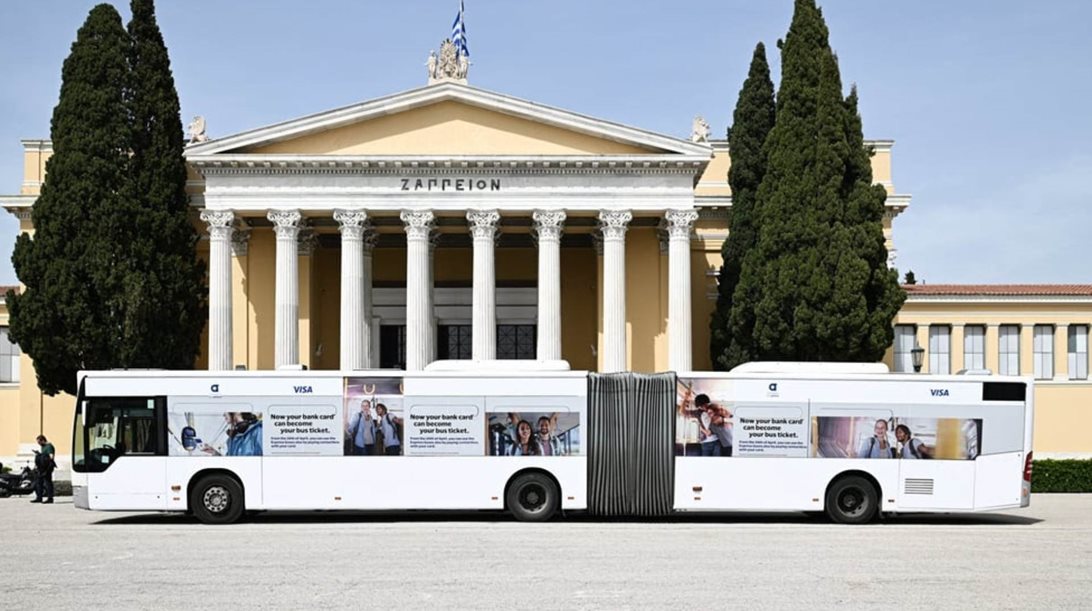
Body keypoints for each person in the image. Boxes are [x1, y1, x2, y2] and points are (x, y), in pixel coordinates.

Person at [30, 435, 55, 504]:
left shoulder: (49, 446)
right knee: (38, 482)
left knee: (47, 482)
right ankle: (39, 497)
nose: (39, 444)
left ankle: (50, 498)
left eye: (39, 442)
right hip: (41, 468)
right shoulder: (43, 447)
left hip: (47, 467)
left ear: (43, 440)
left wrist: (44, 458)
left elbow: (51, 457)